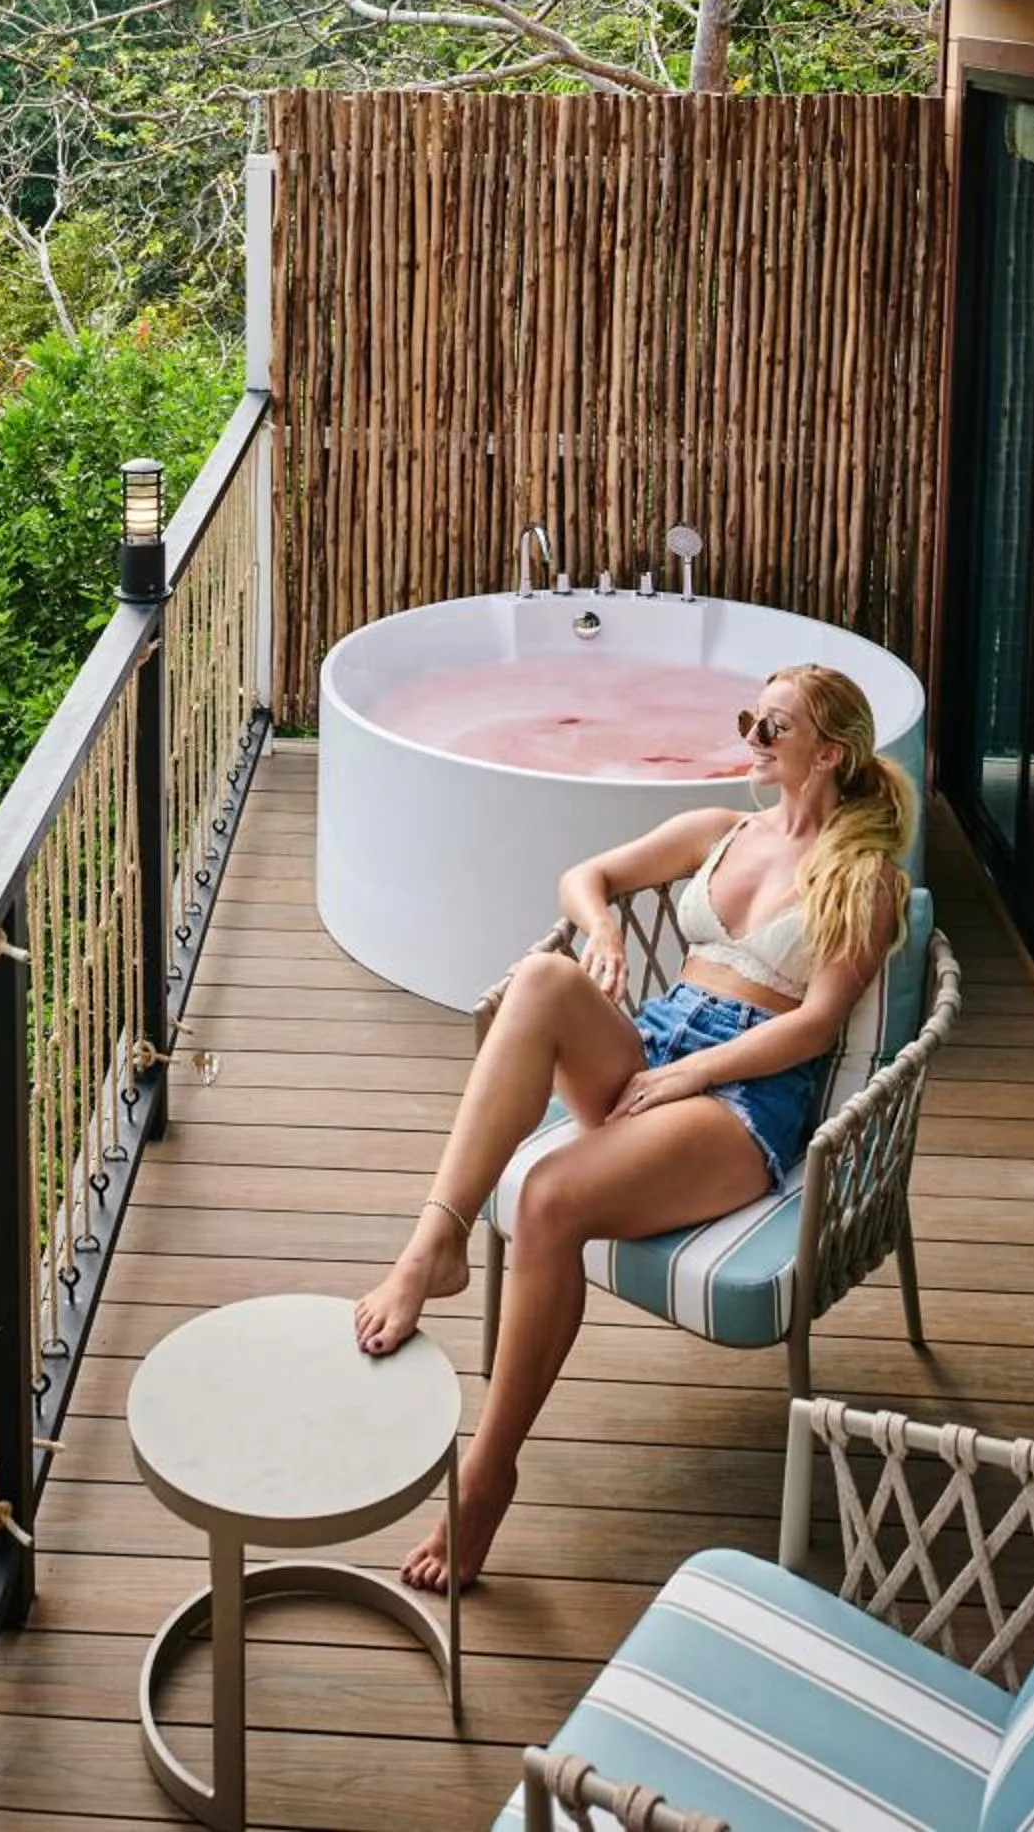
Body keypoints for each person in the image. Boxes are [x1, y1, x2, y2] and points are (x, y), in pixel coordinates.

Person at [354, 663, 914, 1591]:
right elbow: (590, 875)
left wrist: (692, 1074)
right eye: (751, 719)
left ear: (832, 752)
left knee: (548, 1196)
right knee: (541, 982)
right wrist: (604, 934)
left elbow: (815, 1025)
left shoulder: (864, 879)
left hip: (745, 1094)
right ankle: (432, 1246)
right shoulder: (720, 832)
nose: (754, 739)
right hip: (657, 1037)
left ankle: (488, 1473)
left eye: (774, 726)